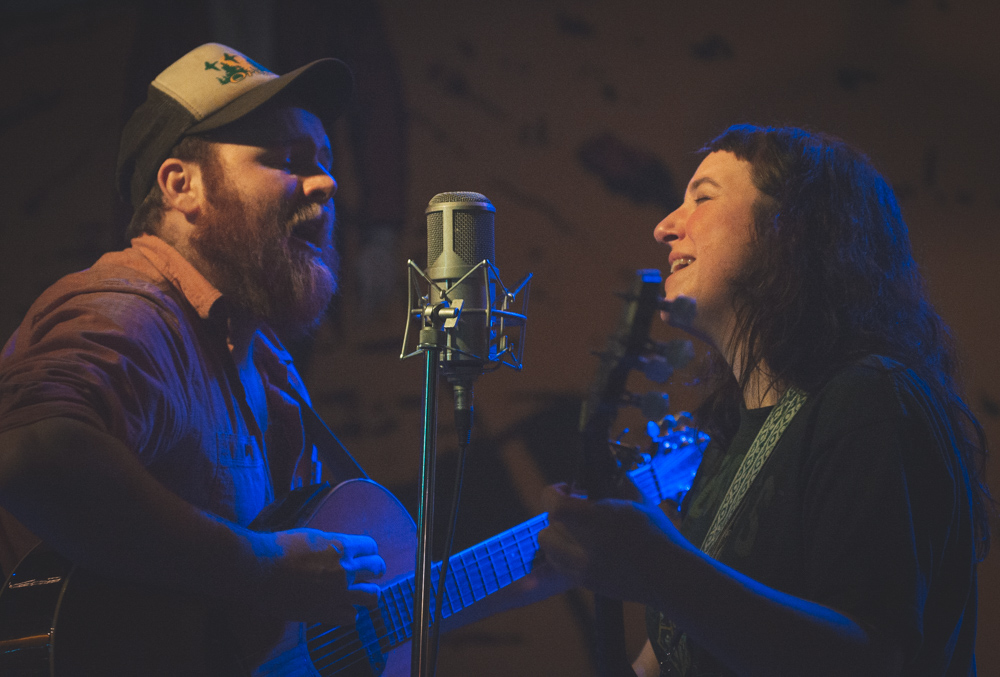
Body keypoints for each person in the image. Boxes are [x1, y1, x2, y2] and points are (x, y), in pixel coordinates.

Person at [538, 125, 991, 676]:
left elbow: (871, 659)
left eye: (703, 197)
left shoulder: (872, 398)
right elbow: (681, 652)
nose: (664, 227)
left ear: (791, 230)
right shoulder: (730, 438)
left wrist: (664, 571)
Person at [0, 44, 386, 670]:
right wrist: (261, 569)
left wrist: (538, 569)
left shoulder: (262, 360)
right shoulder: (130, 311)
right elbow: (29, 454)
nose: (326, 182)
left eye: (326, 160)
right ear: (183, 186)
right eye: (288, 159)